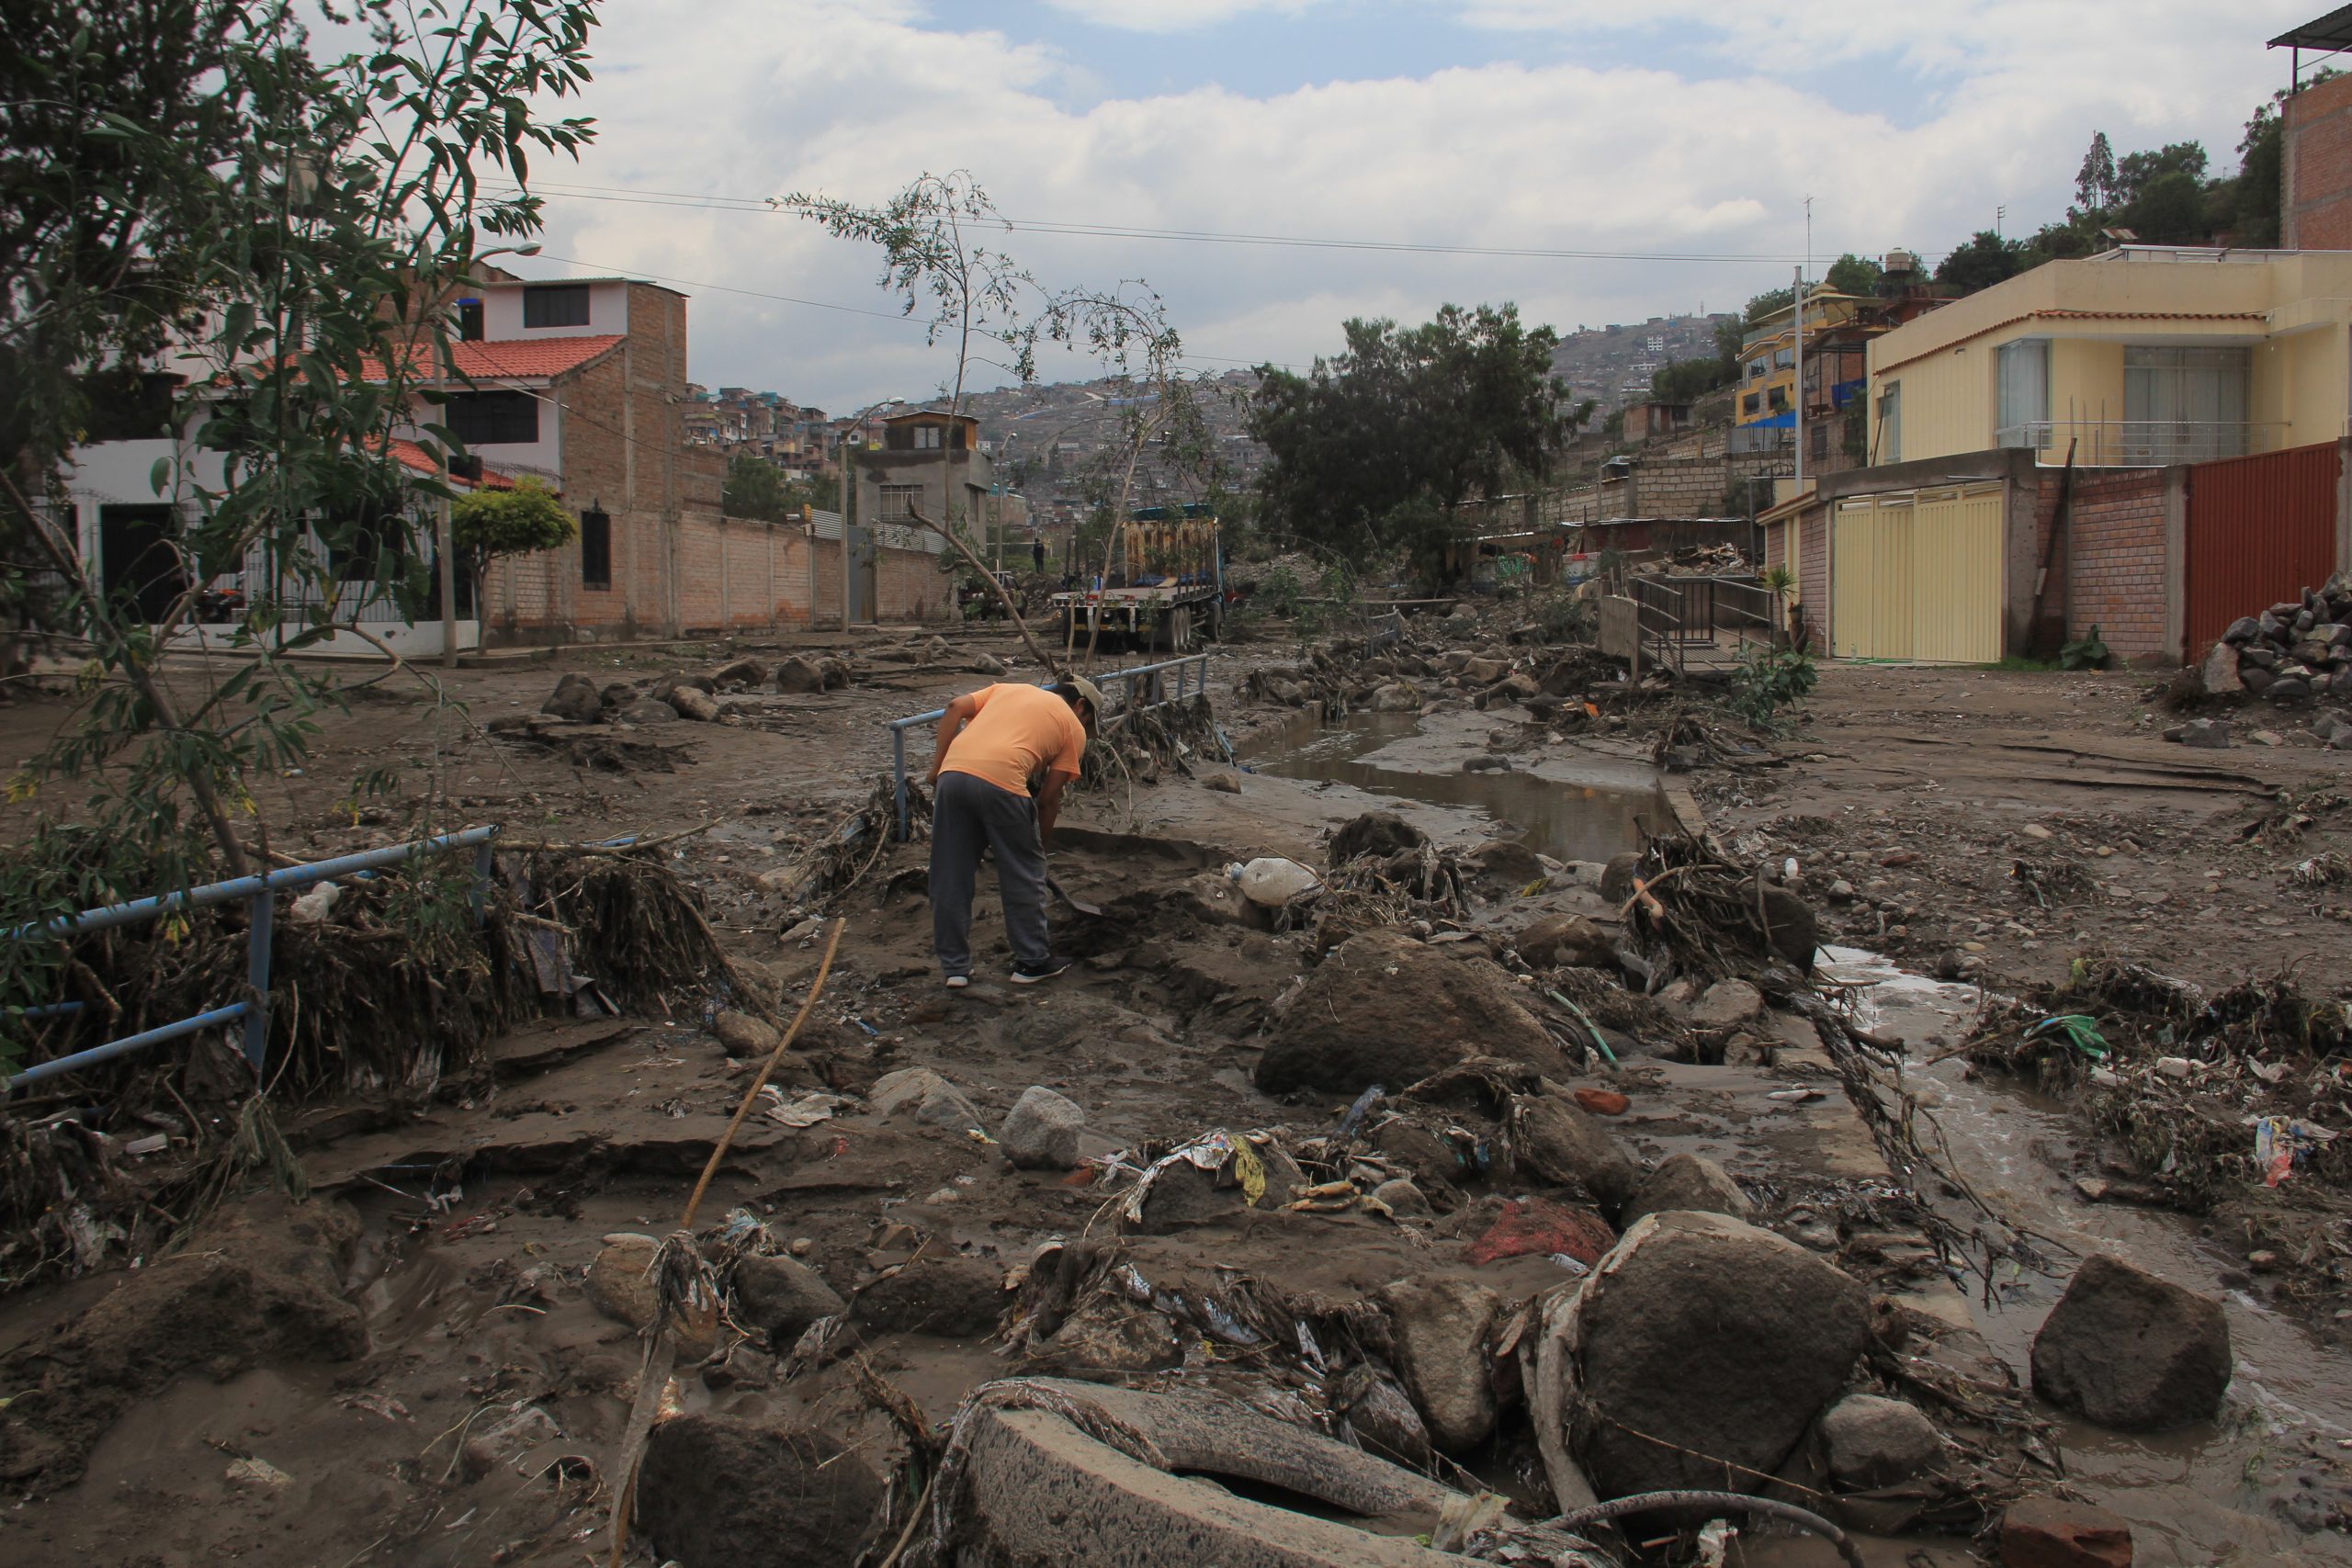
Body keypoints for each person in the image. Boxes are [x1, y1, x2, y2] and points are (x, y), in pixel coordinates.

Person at [925, 676, 1102, 987]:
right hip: (1004, 781)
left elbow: (954, 707)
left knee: (950, 873)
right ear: (1080, 706)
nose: (1084, 726)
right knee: (1023, 873)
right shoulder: (1073, 728)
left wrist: (936, 768)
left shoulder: (1006, 689)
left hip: (952, 777)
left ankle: (955, 969)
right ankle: (1032, 962)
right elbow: (1048, 800)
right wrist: (1039, 854)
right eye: (1088, 720)